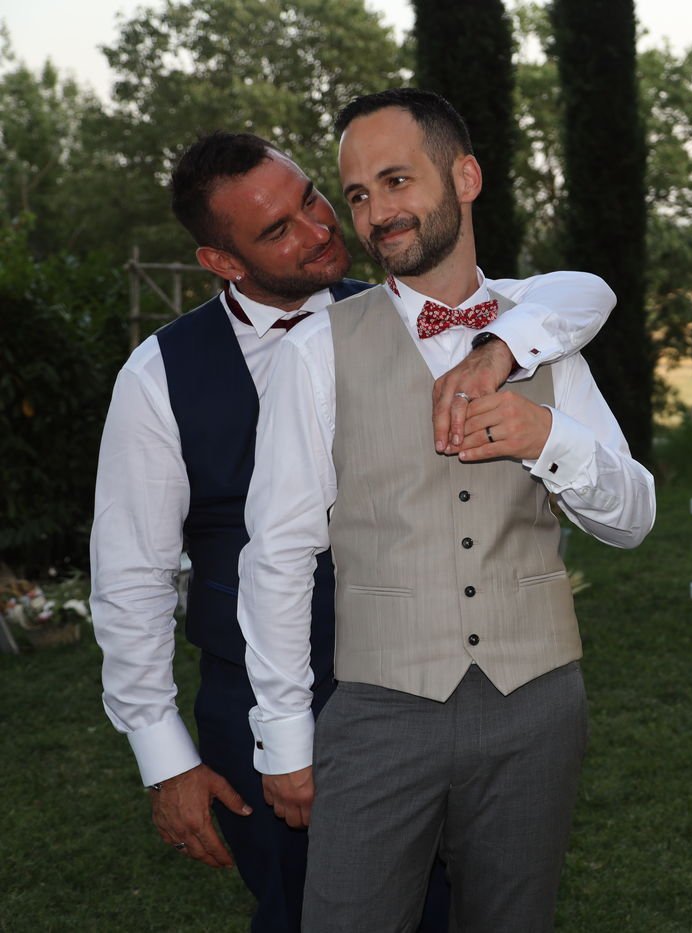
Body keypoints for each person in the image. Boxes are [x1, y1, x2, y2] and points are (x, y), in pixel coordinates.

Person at [90, 130, 616, 932]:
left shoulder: (406, 312)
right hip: (264, 699)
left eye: (311, 197)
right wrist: (166, 760)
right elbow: (131, 578)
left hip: (442, 681)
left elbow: (566, 295)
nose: (320, 228)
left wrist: (501, 349)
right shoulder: (160, 375)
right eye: (278, 230)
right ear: (223, 262)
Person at [237, 87, 656, 931]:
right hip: (381, 707)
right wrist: (282, 738)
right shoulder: (317, 351)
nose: (376, 213)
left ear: (464, 176)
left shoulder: (542, 335)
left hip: (537, 702)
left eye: (396, 181)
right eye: (357, 194)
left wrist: (546, 436)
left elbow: (633, 515)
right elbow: (278, 553)